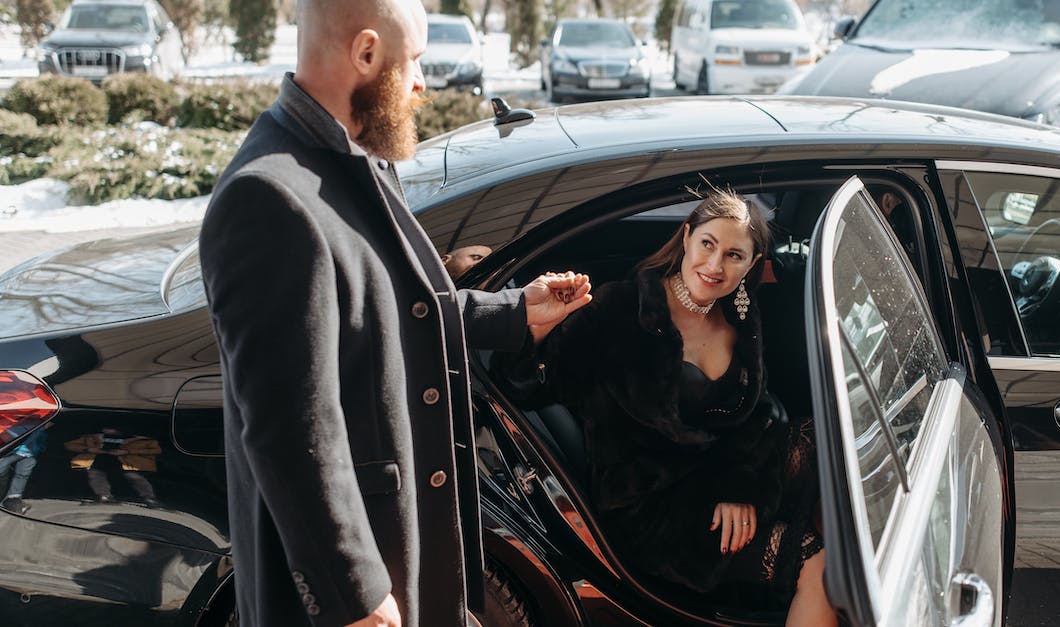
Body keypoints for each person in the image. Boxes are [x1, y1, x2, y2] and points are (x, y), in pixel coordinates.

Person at [197, 1, 592, 626]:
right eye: (414, 62)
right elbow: (292, 431)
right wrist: (353, 591)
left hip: (408, 558)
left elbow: (393, 315)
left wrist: (516, 313)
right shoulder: (269, 196)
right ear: (365, 53)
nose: (421, 84)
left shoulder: (354, 159)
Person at [501, 188, 837, 626]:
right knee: (822, 564)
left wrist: (740, 487)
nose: (715, 266)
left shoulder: (740, 312)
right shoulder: (621, 308)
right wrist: (537, 331)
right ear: (686, 238)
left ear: (752, 265)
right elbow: (529, 387)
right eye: (707, 245)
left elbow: (751, 418)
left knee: (835, 449)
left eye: (734, 255)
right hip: (653, 508)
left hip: (717, 473)